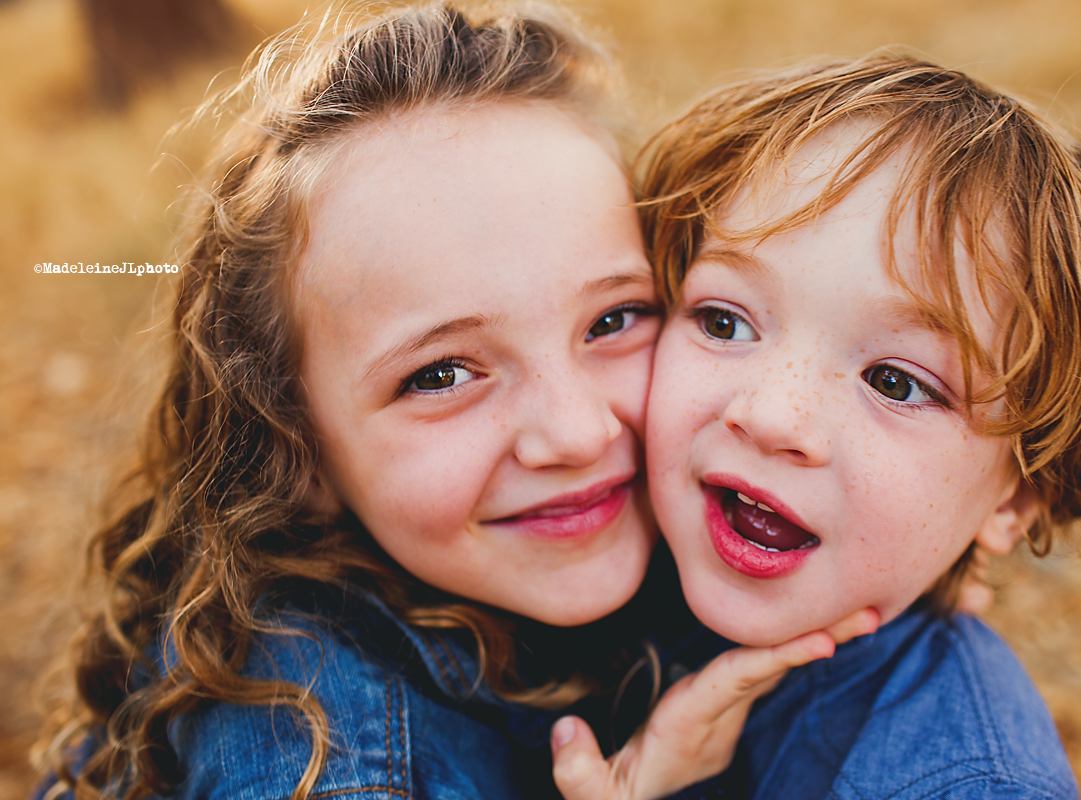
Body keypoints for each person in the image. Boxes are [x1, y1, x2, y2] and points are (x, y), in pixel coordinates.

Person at [34, 5, 878, 800]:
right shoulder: (320, 751)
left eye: (613, 320)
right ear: (293, 451)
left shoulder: (599, 542)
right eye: (440, 375)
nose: (578, 433)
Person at [638, 53, 1081, 798]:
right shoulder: (595, 560)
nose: (770, 415)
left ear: (1011, 501)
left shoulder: (967, 785)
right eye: (725, 321)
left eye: (895, 381)